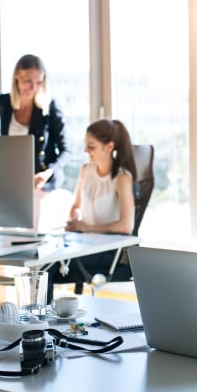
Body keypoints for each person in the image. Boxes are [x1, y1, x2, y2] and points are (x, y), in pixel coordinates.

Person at [49, 118, 137, 300]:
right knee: (43, 261)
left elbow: (126, 226)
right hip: (84, 243)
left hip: (108, 250)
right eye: (85, 145)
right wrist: (73, 220)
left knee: (48, 267)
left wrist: (88, 228)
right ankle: (39, 319)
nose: (85, 150)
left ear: (109, 146)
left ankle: (39, 320)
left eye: (91, 146)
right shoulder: (85, 170)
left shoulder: (121, 178)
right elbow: (76, 205)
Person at [0, 54, 71, 228]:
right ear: (16, 76)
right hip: (14, 176)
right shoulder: (4, 103)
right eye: (28, 80)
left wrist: (47, 173)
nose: (33, 87)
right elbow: (4, 144)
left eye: (39, 82)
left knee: (31, 209)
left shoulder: (49, 107)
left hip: (42, 178)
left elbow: (66, 150)